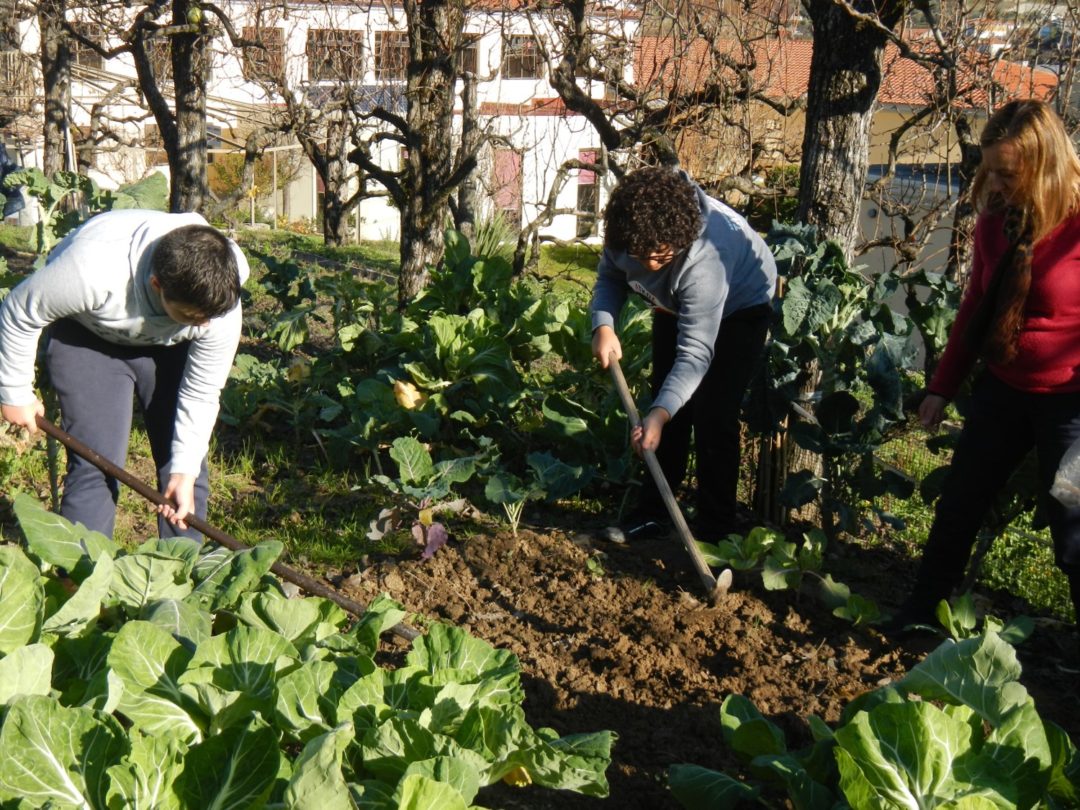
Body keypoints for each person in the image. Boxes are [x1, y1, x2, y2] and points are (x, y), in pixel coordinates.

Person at [887, 99, 1080, 635]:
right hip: (1005, 388)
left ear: (1045, 166)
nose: (995, 182)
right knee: (958, 507)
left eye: (1009, 172)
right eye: (990, 169)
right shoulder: (997, 221)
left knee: (1074, 532)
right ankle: (919, 615)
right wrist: (941, 387)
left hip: (1072, 402)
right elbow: (975, 303)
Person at [0, 209, 248, 539]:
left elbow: (202, 391)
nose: (203, 325)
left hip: (169, 348)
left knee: (186, 470)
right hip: (89, 338)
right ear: (157, 285)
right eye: (191, 316)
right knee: (96, 465)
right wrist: (14, 391)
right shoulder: (91, 268)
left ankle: (180, 578)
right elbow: (20, 312)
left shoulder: (217, 306)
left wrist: (184, 470)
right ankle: (79, 579)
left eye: (208, 319)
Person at [590, 166, 776, 543]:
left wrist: (657, 416)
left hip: (741, 306)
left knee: (714, 416)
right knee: (667, 399)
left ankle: (715, 531)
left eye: (660, 257)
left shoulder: (706, 259)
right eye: (641, 256)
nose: (649, 266)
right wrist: (603, 325)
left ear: (679, 241)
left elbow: (694, 355)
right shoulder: (628, 233)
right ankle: (653, 515)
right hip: (673, 303)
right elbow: (611, 276)